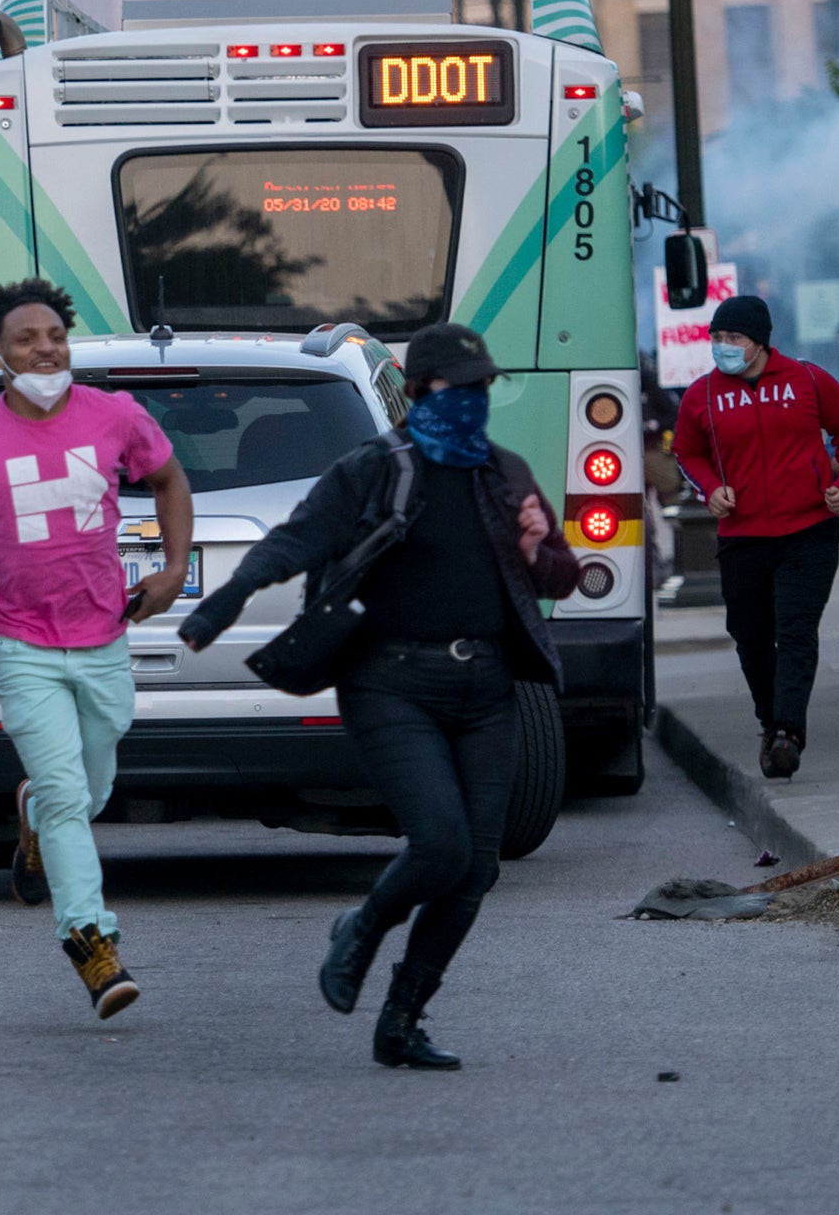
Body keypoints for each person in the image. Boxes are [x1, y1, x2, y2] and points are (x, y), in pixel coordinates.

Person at [180, 323, 573, 1070]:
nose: (475, 402)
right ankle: (362, 926)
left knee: (476, 868)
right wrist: (217, 608)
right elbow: (293, 543)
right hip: (389, 684)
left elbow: (558, 577)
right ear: (423, 392)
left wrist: (539, 551)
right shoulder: (375, 469)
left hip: (486, 689)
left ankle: (402, 1020)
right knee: (441, 844)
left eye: (483, 388)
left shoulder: (506, 473)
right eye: (462, 389)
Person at [0, 278, 193, 1020]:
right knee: (68, 796)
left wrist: (175, 567)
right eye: (26, 339)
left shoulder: (115, 416)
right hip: (19, 641)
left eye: (54, 335)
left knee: (87, 791)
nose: (45, 348)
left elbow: (168, 479)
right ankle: (91, 942)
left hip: (102, 636)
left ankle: (34, 825)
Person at [671, 293, 839, 780]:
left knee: (795, 631)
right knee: (750, 637)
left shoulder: (807, 379)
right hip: (742, 535)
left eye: (732, 337)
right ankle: (769, 720)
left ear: (759, 342)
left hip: (809, 530)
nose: (722, 346)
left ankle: (788, 735)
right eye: (716, 337)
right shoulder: (703, 395)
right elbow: (686, 454)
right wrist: (710, 489)